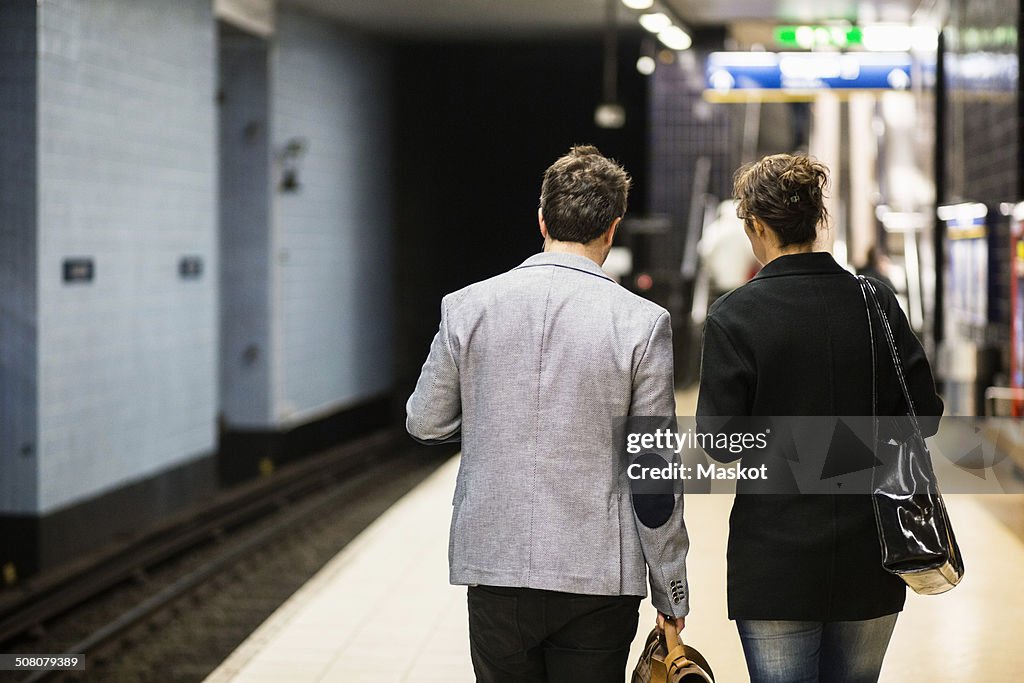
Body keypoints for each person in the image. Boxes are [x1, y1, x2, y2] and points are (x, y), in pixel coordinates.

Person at [407, 145, 689, 683]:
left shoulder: (467, 306)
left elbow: (425, 421)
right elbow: (653, 477)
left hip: (495, 565)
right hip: (599, 579)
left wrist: (502, 414)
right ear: (612, 228)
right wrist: (671, 584)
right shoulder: (641, 323)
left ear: (542, 220)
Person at [696, 153, 943, 683]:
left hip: (775, 560)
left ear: (757, 225)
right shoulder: (875, 301)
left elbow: (719, 443)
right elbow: (924, 416)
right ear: (816, 220)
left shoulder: (734, 316)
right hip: (874, 549)